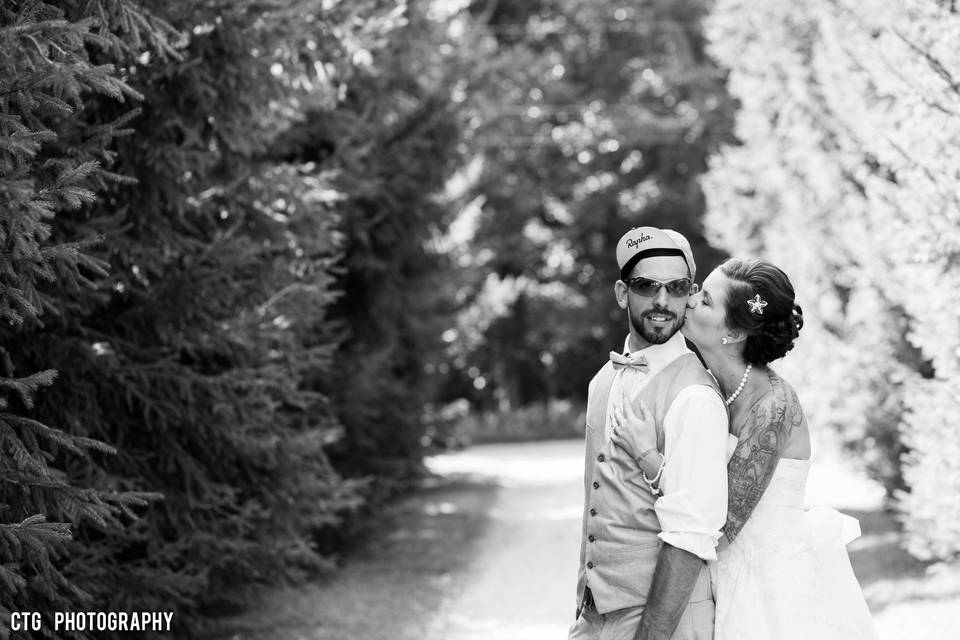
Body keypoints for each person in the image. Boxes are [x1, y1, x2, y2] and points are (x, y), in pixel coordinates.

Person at [614, 256, 880, 640]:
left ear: (734, 333)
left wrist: (649, 459)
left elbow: (718, 526)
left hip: (767, 587)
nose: (688, 299)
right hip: (717, 579)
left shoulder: (771, 408)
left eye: (705, 300)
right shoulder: (706, 386)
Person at [569, 226, 730, 640]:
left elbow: (691, 535)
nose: (662, 301)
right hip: (595, 616)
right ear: (623, 293)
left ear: (691, 293)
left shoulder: (695, 396)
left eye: (676, 288)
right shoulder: (602, 380)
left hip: (665, 623)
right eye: (647, 286)